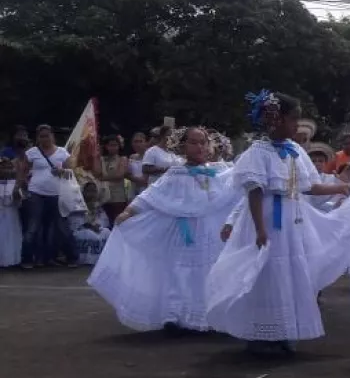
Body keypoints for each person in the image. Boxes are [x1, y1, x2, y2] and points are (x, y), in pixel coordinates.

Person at [204, 91, 350, 355]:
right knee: (264, 272)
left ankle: (284, 329)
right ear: (275, 121)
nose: (296, 126)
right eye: (292, 120)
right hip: (267, 217)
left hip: (291, 220)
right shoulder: (258, 152)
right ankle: (259, 332)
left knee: (287, 272)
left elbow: (308, 186)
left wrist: (341, 188)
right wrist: (259, 228)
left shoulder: (294, 151)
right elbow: (254, 192)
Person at [89, 127, 243, 332]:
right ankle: (175, 315)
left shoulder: (218, 171)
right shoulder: (176, 172)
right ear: (183, 146)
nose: (199, 147)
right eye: (194, 142)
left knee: (209, 271)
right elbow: (152, 195)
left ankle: (208, 315)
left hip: (209, 232)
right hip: (183, 230)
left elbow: (235, 187)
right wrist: (129, 211)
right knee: (179, 272)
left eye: (203, 142)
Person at [20, 124, 78, 268]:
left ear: (52, 136)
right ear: (38, 138)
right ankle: (27, 259)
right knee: (33, 226)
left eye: (47, 135)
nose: (44, 139)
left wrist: (62, 171)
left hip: (57, 194)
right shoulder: (32, 152)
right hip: (36, 193)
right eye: (41, 136)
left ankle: (71, 257)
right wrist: (20, 187)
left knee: (61, 226)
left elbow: (71, 171)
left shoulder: (62, 152)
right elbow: (23, 171)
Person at [94, 134, 133, 224]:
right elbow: (97, 173)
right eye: (110, 145)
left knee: (117, 222)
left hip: (118, 197)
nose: (113, 147)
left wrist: (102, 178)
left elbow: (119, 175)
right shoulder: (101, 159)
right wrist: (97, 156)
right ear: (106, 146)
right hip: (102, 196)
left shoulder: (122, 159)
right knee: (105, 222)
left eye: (115, 145)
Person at [69, 181, 110, 265]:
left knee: (107, 232)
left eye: (94, 191)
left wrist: (98, 226)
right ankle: (87, 261)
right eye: (89, 191)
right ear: (83, 192)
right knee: (91, 235)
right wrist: (90, 226)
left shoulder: (97, 206)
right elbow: (75, 222)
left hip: (95, 228)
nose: (92, 194)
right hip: (80, 230)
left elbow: (104, 221)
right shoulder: (78, 204)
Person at [0, 157, 21, 267]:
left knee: (10, 237)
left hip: (11, 214)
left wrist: (17, 195)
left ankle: (11, 260)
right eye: (2, 167)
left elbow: (19, 202)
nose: (6, 170)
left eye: (9, 167)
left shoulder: (15, 184)